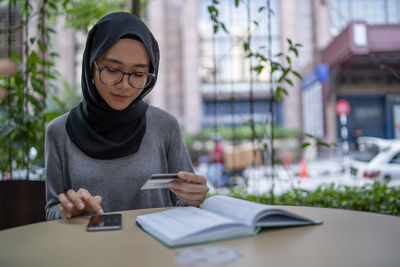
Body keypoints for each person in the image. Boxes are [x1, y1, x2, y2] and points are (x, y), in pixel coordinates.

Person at [45, 12, 209, 220]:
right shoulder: (59, 132)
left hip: (155, 249)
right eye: (112, 70)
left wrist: (193, 197)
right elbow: (51, 212)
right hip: (90, 251)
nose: (124, 85)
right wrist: (71, 210)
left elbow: (184, 202)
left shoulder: (164, 126)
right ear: (91, 66)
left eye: (138, 74)